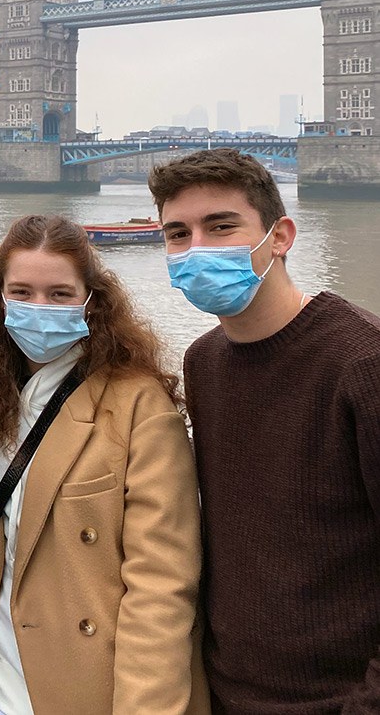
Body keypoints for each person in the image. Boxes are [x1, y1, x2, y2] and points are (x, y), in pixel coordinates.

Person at [148, 147, 380, 713]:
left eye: (221, 226)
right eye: (178, 234)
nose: (197, 248)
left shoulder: (363, 362)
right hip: (226, 691)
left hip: (337, 699)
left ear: (280, 236)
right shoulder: (203, 361)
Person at [0, 214, 208, 715]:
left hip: (88, 685)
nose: (40, 309)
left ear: (90, 301)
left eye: (59, 294)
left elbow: (161, 585)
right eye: (23, 293)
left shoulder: (138, 404)